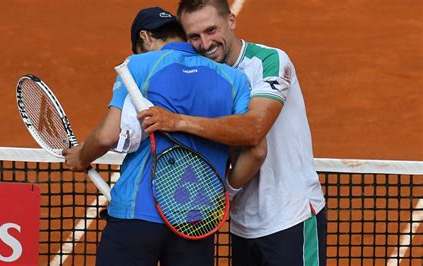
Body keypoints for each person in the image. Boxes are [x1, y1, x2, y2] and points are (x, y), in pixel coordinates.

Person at [137, 1, 327, 265]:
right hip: (242, 225)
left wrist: (177, 121)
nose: (205, 44)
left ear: (232, 22)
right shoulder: (204, 75)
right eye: (194, 36)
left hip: (290, 217)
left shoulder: (269, 61)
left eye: (211, 30)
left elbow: (253, 131)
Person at [63, 6, 251, 266]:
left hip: (135, 215)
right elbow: (246, 146)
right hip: (197, 220)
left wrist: (81, 157)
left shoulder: (137, 66)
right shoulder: (235, 79)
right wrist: (224, 192)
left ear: (145, 38)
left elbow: (107, 136)